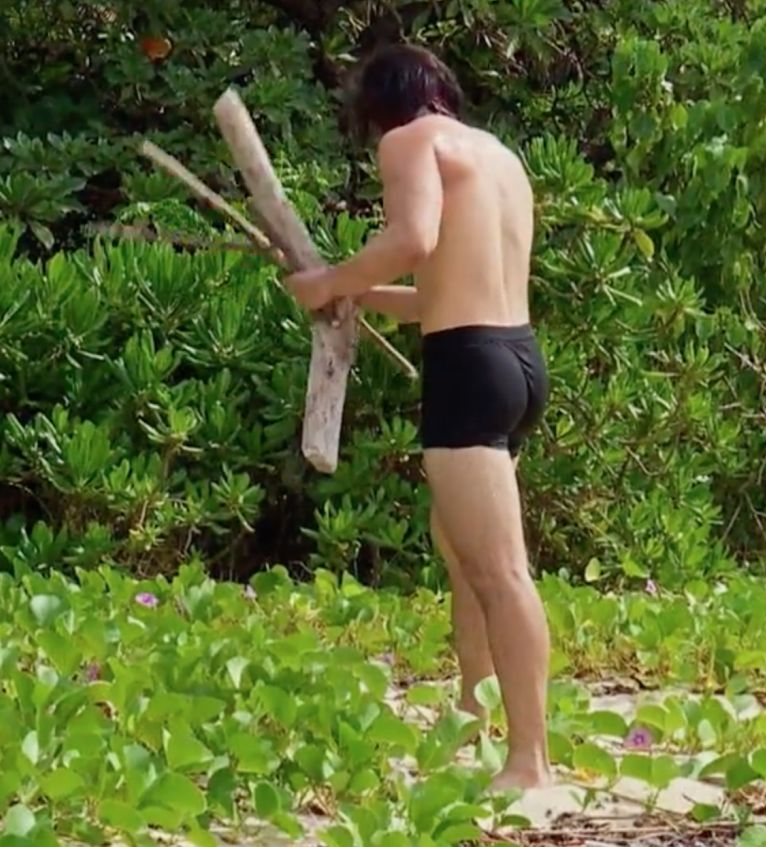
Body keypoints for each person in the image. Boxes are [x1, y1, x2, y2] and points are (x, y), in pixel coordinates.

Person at [283, 43, 553, 792]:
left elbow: (412, 241)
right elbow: (439, 293)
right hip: (516, 359)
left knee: (499, 571)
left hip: (468, 369)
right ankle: (472, 711)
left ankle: (530, 761)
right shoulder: (497, 157)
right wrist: (347, 292)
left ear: (382, 106)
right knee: (463, 553)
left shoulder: (409, 142)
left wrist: (332, 280)